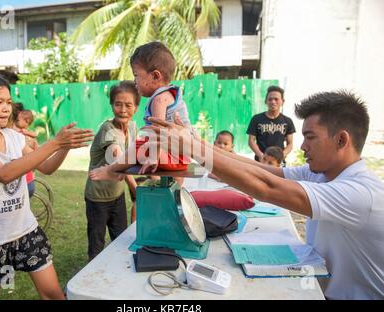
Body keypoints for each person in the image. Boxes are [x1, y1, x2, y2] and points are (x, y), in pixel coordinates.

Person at [147, 90, 384, 300]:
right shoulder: (324, 174)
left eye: (310, 137)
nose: (302, 147)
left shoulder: (360, 194)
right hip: (317, 287)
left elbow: (267, 187)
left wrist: (193, 149)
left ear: (341, 139)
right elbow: (262, 170)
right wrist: (200, 144)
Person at [0, 73, 93, 299]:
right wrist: (54, 142)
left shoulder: (15, 137)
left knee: (54, 294)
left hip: (24, 230)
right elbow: (4, 173)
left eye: (8, 102)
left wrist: (64, 146)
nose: (6, 108)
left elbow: (46, 167)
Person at [89, 41, 191, 182]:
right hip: (182, 158)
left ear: (155, 76)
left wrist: (153, 157)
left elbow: (158, 132)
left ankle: (111, 170)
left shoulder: (159, 100)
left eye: (136, 75)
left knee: (138, 146)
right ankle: (178, 189)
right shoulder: (172, 94)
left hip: (170, 155)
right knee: (142, 146)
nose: (134, 80)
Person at [85, 81, 139, 261]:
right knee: (97, 244)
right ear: (112, 105)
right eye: (118, 104)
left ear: (136, 107)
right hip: (97, 198)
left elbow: (133, 156)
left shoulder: (132, 127)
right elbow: (118, 155)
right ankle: (90, 282)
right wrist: (135, 188)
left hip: (117, 195)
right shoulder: (108, 129)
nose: (123, 109)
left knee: (121, 239)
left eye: (128, 105)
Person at [247, 85, 295, 163]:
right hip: (260, 161)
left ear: (283, 101)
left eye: (276, 99)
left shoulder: (287, 121)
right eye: (270, 99)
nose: (273, 102)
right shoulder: (256, 119)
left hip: (278, 163)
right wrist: (261, 155)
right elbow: (251, 141)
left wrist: (281, 156)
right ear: (265, 101)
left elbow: (290, 144)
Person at [12, 104, 38, 197]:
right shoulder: (27, 136)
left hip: (24, 181)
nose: (15, 121)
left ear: (27, 122)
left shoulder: (19, 134)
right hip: (28, 179)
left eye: (18, 120)